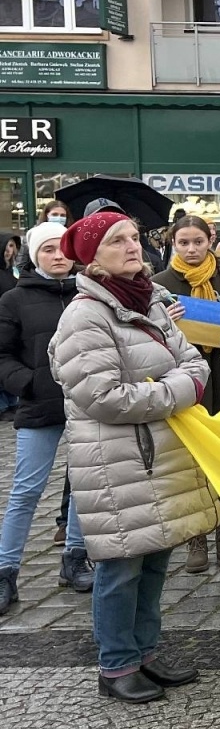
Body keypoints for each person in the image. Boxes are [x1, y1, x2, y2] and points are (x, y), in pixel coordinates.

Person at [48, 211, 220, 703]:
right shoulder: (86, 315)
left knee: (154, 559)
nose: (132, 247)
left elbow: (193, 360)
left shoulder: (150, 300)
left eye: (133, 238)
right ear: (92, 257)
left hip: (158, 454)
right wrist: (178, 391)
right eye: (117, 241)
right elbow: (102, 396)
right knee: (121, 565)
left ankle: (144, 652)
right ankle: (116, 664)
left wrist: (179, 383)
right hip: (117, 461)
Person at [0, 223, 92, 611]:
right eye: (49, 249)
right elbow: (2, 355)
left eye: (63, 249)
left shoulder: (88, 296)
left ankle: (74, 557)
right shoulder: (13, 300)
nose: (58, 256)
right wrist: (30, 383)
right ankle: (6, 572)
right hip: (39, 406)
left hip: (86, 405)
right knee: (26, 491)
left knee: (84, 487)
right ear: (34, 255)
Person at [153, 215, 220, 573]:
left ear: (211, 241)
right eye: (183, 243)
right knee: (190, 462)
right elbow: (144, 339)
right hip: (185, 383)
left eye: (198, 242)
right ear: (172, 245)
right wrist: (166, 324)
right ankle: (196, 538)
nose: (191, 250)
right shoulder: (160, 285)